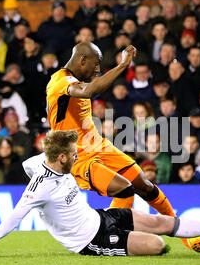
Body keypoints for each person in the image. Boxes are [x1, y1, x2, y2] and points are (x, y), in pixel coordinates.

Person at [0, 130, 200, 256]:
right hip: (89, 240)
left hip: (101, 217)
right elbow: (19, 211)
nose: (79, 157)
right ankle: (129, 244)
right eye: (74, 154)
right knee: (157, 245)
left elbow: (29, 163)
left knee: (161, 223)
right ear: (63, 158)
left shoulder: (40, 162)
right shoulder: (40, 185)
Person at [45, 42, 177, 218]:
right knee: (124, 188)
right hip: (79, 157)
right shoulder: (61, 81)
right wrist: (122, 65)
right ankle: (107, 232)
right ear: (83, 60)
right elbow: (89, 91)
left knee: (144, 186)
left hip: (100, 148)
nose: (98, 69)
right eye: (96, 63)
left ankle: (178, 227)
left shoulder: (74, 82)